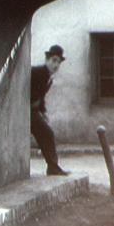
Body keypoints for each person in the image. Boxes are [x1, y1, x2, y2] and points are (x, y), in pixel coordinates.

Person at [30, 44, 69, 176]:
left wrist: (43, 112)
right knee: (47, 134)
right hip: (25, 111)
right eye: (53, 60)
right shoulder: (38, 72)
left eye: (58, 62)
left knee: (46, 134)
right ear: (47, 60)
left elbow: (41, 97)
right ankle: (53, 167)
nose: (56, 65)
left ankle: (52, 167)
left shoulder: (47, 76)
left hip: (33, 112)